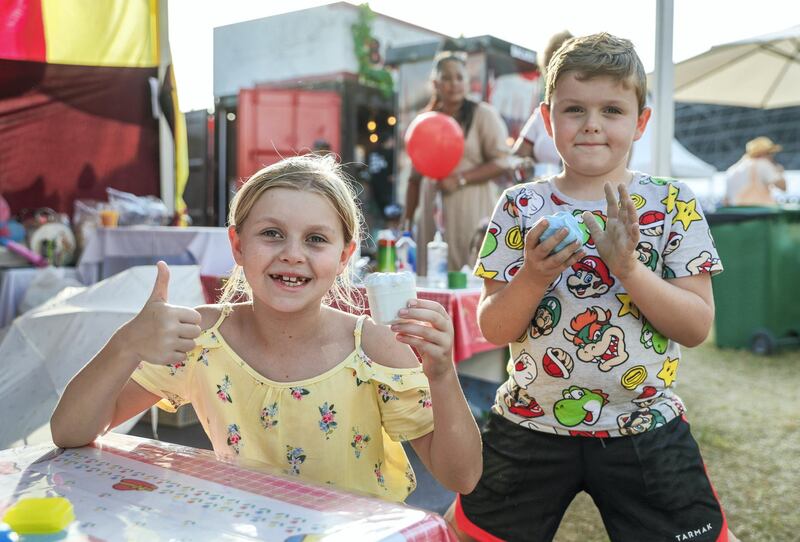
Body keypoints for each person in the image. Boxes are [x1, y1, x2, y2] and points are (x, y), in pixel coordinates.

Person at [51, 154, 482, 504]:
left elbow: (460, 477)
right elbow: (71, 432)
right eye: (272, 234)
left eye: (316, 239)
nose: (293, 254)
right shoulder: (201, 338)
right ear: (237, 245)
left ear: (344, 255)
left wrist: (442, 375)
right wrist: (126, 343)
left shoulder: (375, 348)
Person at [448, 33, 739, 542]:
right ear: (547, 119)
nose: (592, 125)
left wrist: (629, 268)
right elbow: (493, 327)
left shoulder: (671, 203)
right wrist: (535, 275)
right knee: (470, 534)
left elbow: (695, 327)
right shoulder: (520, 206)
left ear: (641, 121)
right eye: (574, 109)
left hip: (643, 421)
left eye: (612, 109)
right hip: (531, 418)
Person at [403, 50, 512, 275]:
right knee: (430, 273)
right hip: (431, 212)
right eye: (446, 77)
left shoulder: (483, 115)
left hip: (471, 208)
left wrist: (461, 179)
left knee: (469, 271)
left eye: (459, 77)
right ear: (435, 83)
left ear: (467, 82)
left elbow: (502, 162)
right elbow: (414, 179)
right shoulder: (425, 120)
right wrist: (406, 222)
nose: (453, 83)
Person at [511, 31, 573, 179]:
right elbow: (517, 157)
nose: (555, 77)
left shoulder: (595, 109)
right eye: (550, 70)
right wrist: (524, 165)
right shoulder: (542, 113)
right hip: (546, 193)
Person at [723, 136, 786, 206]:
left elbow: (726, 199)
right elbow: (783, 187)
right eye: (770, 153)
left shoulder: (732, 169)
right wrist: (779, 172)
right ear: (763, 153)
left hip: (736, 212)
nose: (772, 156)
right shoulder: (763, 164)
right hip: (758, 211)